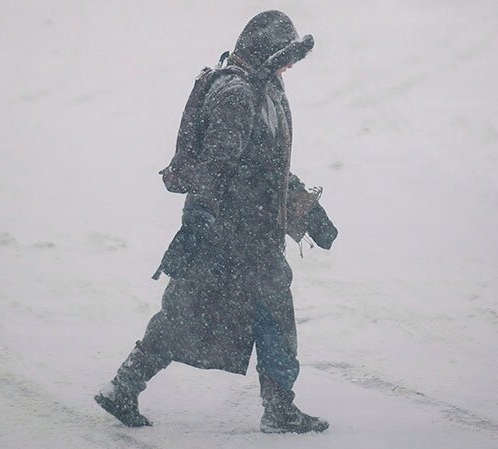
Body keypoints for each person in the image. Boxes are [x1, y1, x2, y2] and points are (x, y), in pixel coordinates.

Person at [94, 10, 337, 434]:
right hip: (230, 233)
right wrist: (199, 215)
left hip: (250, 233)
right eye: (286, 56)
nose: (291, 66)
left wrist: (307, 208)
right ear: (266, 51)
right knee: (214, 315)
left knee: (216, 314)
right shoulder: (236, 95)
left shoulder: (265, 89)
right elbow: (218, 163)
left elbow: (265, 164)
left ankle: (126, 385)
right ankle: (276, 409)